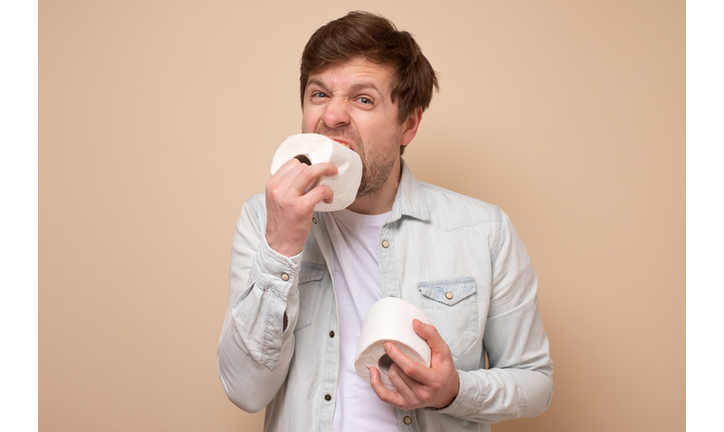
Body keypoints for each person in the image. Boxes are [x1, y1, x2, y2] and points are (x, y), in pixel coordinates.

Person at [217, 11, 553, 432]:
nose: (333, 117)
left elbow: (536, 381)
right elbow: (246, 391)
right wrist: (281, 246)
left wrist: (453, 391)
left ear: (408, 124)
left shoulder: (484, 231)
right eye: (319, 94)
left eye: (363, 99)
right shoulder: (263, 218)